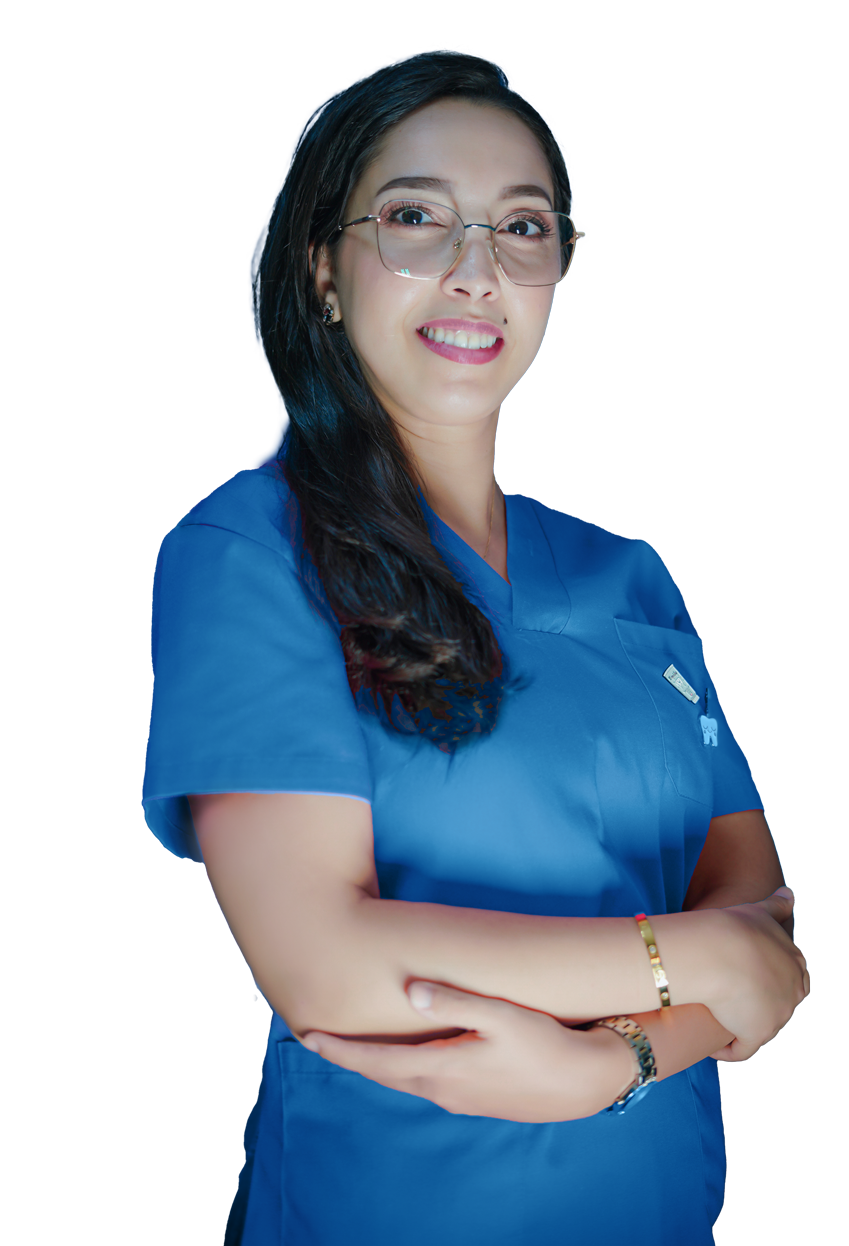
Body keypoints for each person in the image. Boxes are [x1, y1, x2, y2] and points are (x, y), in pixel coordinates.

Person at [142, 50, 809, 1246]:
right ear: (323, 269)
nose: (476, 269)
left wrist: (619, 1063)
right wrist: (693, 961)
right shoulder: (251, 548)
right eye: (416, 217)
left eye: (523, 227)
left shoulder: (633, 577)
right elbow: (325, 965)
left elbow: (760, 931)